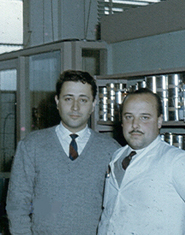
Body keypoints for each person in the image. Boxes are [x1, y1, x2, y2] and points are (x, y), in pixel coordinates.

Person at [98, 88, 185, 235]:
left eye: (144, 117)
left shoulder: (177, 161)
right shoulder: (118, 156)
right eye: (128, 117)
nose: (135, 125)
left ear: (159, 121)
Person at [6, 70, 120, 235]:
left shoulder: (111, 149)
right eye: (68, 99)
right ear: (57, 101)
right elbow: (17, 204)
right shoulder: (32, 146)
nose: (75, 107)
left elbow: (117, 207)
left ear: (93, 104)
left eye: (83, 99)